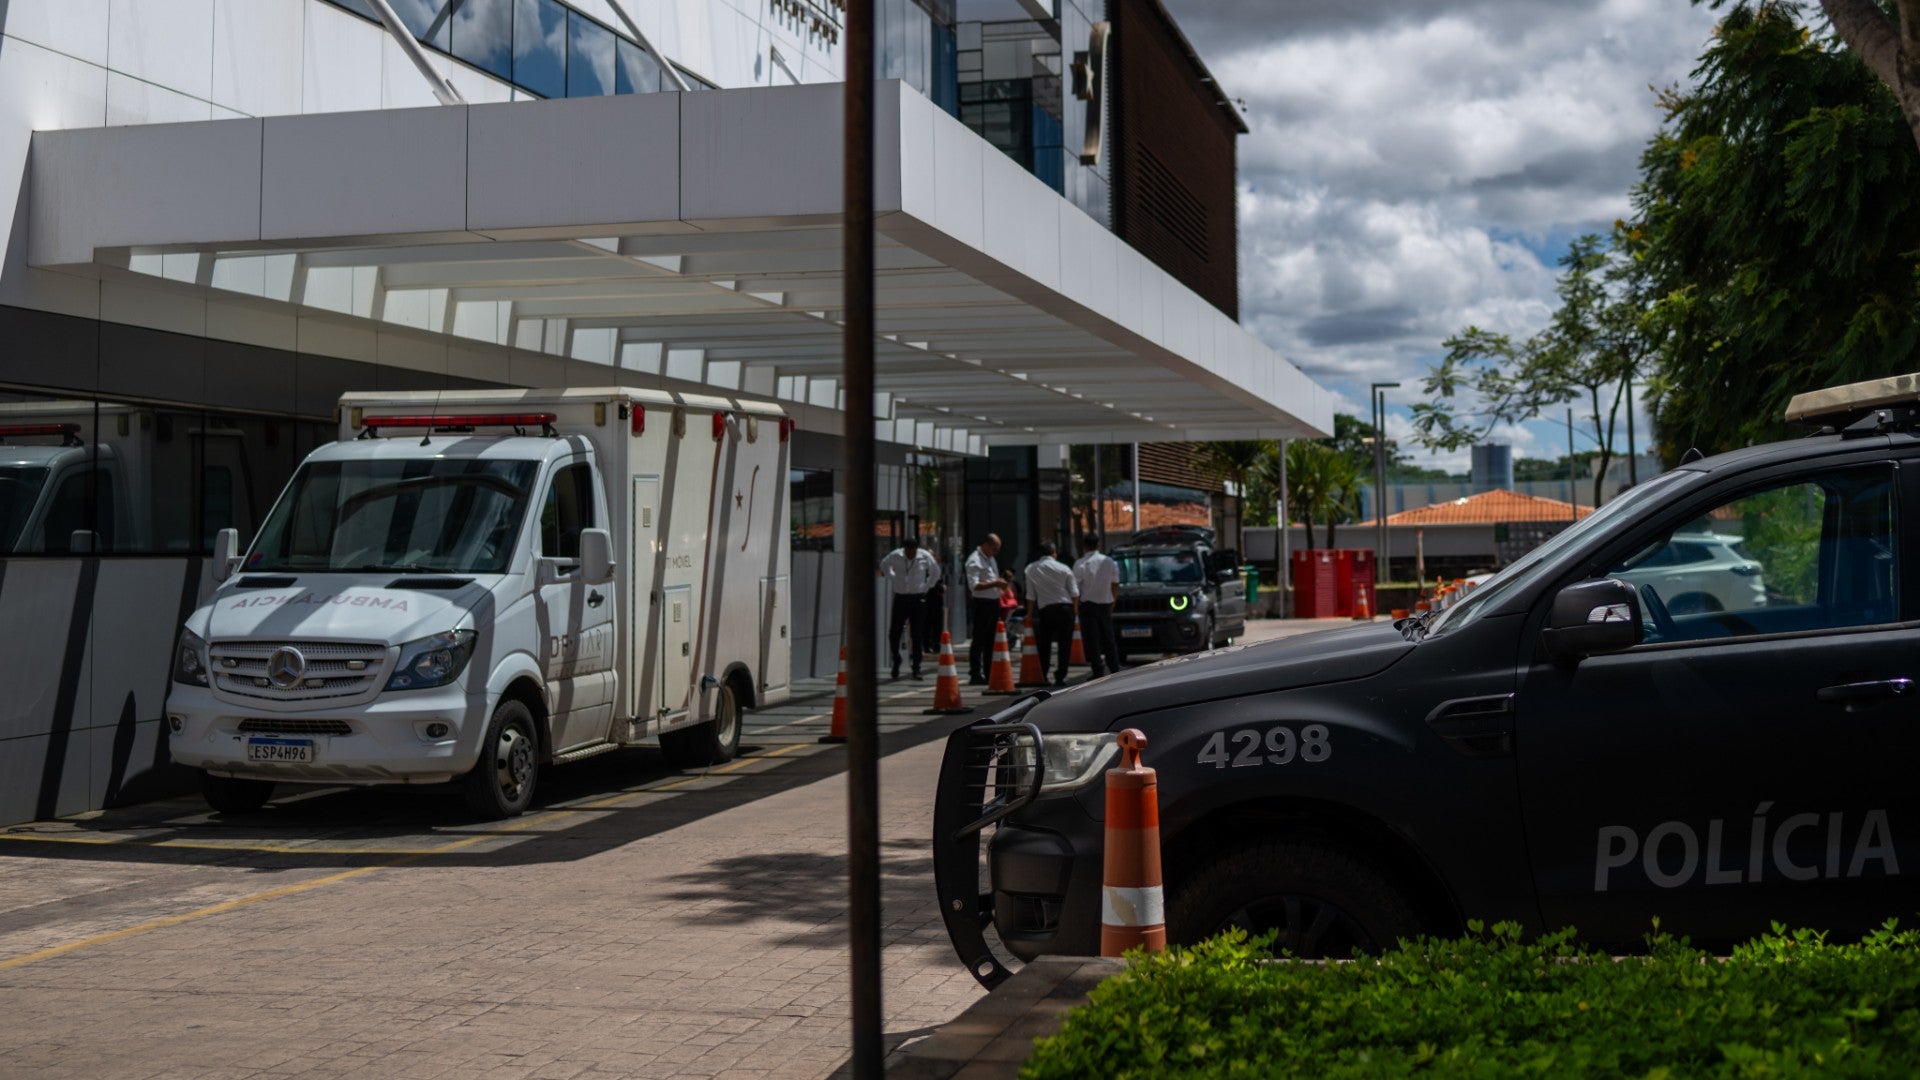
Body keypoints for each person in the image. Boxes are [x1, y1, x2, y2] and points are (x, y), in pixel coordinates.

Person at [877, 536, 941, 679]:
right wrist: (892, 577)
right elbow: (883, 565)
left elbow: (935, 572)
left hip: (917, 598)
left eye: (913, 551)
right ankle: (897, 659)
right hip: (901, 598)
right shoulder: (896, 555)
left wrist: (927, 586)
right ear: (904, 549)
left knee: (917, 634)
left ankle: (916, 667)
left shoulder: (924, 556)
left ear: (916, 549)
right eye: (908, 552)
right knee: (894, 632)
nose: (910, 554)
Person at [1024, 540, 1079, 687]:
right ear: (1054, 553)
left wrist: (1029, 614)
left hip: (1045, 611)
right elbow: (1074, 593)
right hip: (1065, 609)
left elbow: (1030, 595)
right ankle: (1060, 676)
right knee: (1064, 644)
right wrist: (1074, 610)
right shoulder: (1064, 568)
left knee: (1044, 643)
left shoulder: (1030, 569)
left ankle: (1044, 674)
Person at [1073, 531, 1122, 678]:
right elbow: (1115, 584)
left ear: (1084, 546)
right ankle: (1114, 667)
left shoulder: (1080, 563)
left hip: (1088, 606)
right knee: (1109, 638)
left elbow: (1075, 588)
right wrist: (1113, 600)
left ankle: (1097, 671)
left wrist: (1075, 607)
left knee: (1092, 640)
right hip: (1106, 604)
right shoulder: (1109, 561)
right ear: (1098, 545)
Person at [965, 533, 1011, 685]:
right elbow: (974, 586)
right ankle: (975, 673)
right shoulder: (974, 561)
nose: (996, 552)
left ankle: (988, 671)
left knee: (991, 640)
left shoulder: (990, 558)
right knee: (979, 639)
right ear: (986, 544)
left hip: (993, 602)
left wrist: (1000, 581)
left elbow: (992, 579)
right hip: (982, 603)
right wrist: (996, 583)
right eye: (994, 548)